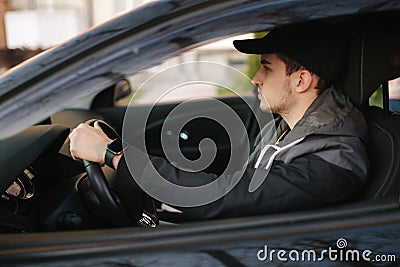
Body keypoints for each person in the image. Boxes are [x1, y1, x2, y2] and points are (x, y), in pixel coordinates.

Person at [69, 21, 369, 221]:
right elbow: (232, 184)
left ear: (301, 80)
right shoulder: (286, 128)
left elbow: (227, 196)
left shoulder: (334, 162)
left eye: (266, 68)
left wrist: (113, 157)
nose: (255, 78)